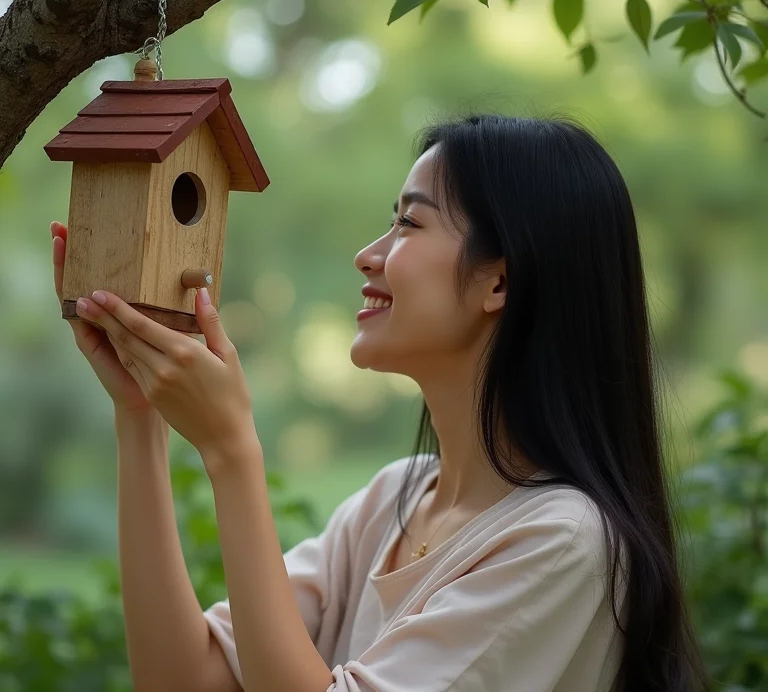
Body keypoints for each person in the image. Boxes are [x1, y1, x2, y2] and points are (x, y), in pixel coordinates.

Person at [51, 113, 709, 692]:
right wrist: (140, 417)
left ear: (500, 279)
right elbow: (180, 681)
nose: (368, 256)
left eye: (409, 223)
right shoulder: (393, 501)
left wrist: (231, 449)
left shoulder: (562, 542)